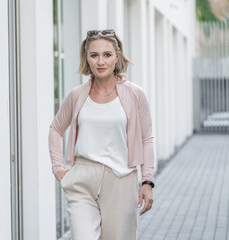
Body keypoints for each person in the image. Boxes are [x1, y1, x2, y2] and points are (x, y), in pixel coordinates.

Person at [48, 29, 155, 240]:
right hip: (82, 178)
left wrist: (147, 181)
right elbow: (55, 129)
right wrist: (58, 168)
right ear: (86, 58)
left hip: (121, 180)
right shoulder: (77, 95)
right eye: (94, 55)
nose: (100, 61)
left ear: (117, 56)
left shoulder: (135, 94)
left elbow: (146, 139)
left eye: (107, 54)